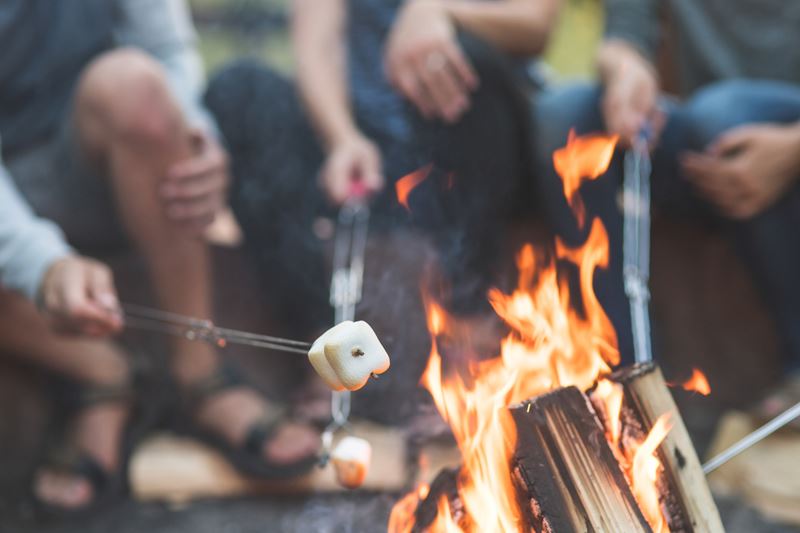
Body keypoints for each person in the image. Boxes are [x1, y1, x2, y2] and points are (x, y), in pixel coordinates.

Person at [0, 0, 318, 514]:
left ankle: (200, 376)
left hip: (91, 157)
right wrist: (42, 264)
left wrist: (198, 138)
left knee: (133, 84)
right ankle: (102, 372)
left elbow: (165, 49)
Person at [205, 0, 561, 340]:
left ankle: (471, 325)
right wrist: (342, 139)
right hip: (369, 152)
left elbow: (536, 24)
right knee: (240, 91)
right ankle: (326, 345)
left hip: (471, 144)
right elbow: (317, 45)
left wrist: (438, 12)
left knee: (465, 57)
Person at [534, 1, 800, 392]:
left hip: (766, 132)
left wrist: (792, 149)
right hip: (698, 140)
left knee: (721, 113)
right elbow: (622, 40)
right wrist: (629, 71)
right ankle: (627, 384)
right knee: (564, 115)